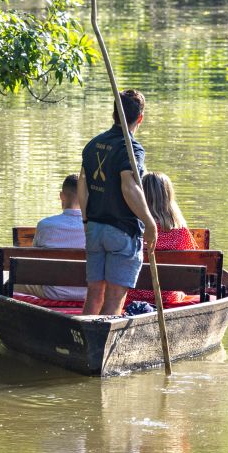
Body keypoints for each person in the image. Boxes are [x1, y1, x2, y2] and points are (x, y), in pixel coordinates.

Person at [76, 89, 157, 316]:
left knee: (94, 294)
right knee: (113, 298)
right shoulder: (131, 149)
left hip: (94, 228)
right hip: (122, 231)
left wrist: (85, 220)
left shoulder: (93, 144)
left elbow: (83, 184)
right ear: (140, 118)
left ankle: (86, 343)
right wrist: (149, 224)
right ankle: (102, 346)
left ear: (113, 114)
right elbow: (128, 186)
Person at [128, 171, 196, 307]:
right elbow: (191, 267)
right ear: (168, 197)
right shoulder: (180, 232)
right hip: (167, 297)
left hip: (132, 294)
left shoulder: (131, 228)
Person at [16, 173, 86, 302]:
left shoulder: (45, 225)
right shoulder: (95, 227)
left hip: (52, 292)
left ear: (61, 196)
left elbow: (33, 260)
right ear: (86, 197)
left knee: (11, 281)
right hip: (89, 293)